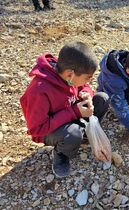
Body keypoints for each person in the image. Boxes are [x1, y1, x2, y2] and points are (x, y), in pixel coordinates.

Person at [20, 41, 109, 177]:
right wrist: (75, 112)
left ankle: (84, 136)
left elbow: (83, 87)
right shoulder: (39, 91)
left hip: (69, 113)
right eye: (87, 78)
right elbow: (37, 129)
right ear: (70, 74)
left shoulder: (68, 73)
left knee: (102, 98)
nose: (89, 82)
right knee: (73, 133)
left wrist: (87, 94)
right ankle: (61, 154)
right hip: (49, 129)